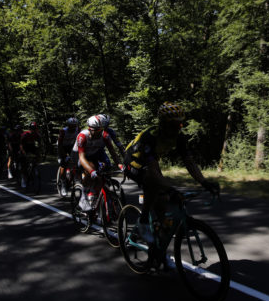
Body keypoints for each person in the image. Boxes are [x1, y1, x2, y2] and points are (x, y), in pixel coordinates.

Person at [123, 102, 219, 247]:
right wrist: (171, 189)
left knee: (163, 203)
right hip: (133, 162)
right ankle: (143, 222)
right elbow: (153, 171)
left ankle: (159, 244)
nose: (177, 128)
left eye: (180, 124)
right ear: (163, 124)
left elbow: (189, 162)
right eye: (173, 125)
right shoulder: (150, 137)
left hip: (151, 162)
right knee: (153, 183)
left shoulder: (179, 138)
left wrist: (204, 182)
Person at [74, 115, 122, 212]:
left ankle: (94, 194)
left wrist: (120, 165)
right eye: (97, 130)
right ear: (90, 129)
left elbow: (112, 152)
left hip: (93, 154)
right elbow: (82, 158)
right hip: (79, 155)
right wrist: (91, 171)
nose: (100, 132)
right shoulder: (82, 136)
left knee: (102, 174)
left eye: (101, 130)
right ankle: (83, 197)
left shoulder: (104, 136)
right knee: (91, 169)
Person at [57, 117, 79, 195]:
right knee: (63, 164)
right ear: (68, 125)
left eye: (74, 125)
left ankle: (75, 177)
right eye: (71, 126)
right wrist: (65, 155)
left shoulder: (78, 130)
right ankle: (63, 183)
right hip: (62, 147)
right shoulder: (63, 131)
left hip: (72, 147)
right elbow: (59, 145)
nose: (73, 127)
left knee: (77, 162)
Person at [19, 122, 42, 187]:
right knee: (24, 163)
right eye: (33, 128)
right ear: (30, 129)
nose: (34, 130)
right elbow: (21, 145)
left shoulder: (37, 134)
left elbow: (40, 144)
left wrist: (39, 153)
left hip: (31, 146)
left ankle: (33, 167)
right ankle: (23, 178)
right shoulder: (25, 134)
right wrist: (24, 153)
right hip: (24, 146)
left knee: (36, 157)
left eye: (35, 128)